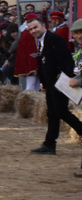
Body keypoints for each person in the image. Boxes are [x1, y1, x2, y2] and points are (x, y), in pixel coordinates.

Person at [27, 16, 82, 157]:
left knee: (61, 112)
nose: (33, 31)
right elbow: (43, 64)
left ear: (43, 26)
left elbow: (66, 61)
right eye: (30, 29)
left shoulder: (55, 39)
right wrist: (44, 83)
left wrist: (64, 80)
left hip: (60, 83)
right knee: (52, 113)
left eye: (35, 27)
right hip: (51, 84)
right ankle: (49, 144)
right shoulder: (41, 41)